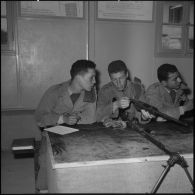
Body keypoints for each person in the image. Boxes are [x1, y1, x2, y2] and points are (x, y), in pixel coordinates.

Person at [34, 59, 97, 192]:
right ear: (78, 77)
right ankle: (44, 189)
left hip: (80, 134)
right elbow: (40, 119)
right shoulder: (54, 92)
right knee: (46, 161)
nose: (94, 81)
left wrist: (75, 118)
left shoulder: (91, 92)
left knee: (91, 160)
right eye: (91, 77)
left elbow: (90, 118)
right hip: (53, 136)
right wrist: (62, 118)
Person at [96, 60, 154, 128]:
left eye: (121, 78)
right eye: (114, 80)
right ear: (110, 78)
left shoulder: (137, 88)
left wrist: (144, 117)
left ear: (127, 75)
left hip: (133, 130)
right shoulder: (105, 91)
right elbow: (97, 116)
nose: (118, 83)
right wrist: (115, 105)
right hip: (111, 132)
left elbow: (142, 113)